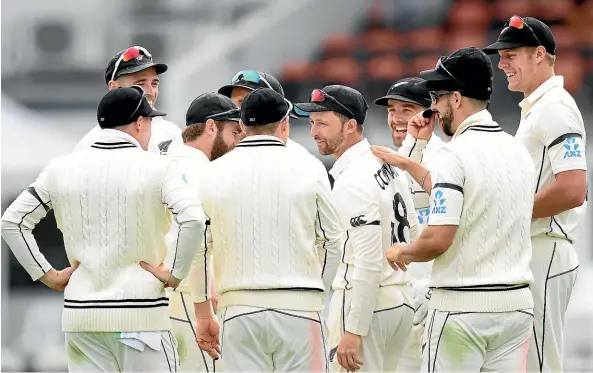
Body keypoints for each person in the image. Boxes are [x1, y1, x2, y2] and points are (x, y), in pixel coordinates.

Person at [1, 86, 207, 372]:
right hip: (142, 317)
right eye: (149, 122)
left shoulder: (60, 168)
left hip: (81, 319)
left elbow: (12, 221)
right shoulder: (159, 168)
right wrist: (174, 272)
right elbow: (194, 219)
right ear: (139, 122)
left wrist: (47, 275)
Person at [372, 47, 537, 372]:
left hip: (463, 309)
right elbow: (466, 189)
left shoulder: (454, 154)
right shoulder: (516, 149)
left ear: (457, 99)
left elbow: (438, 239)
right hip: (517, 309)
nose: (434, 106)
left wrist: (401, 251)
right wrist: (413, 156)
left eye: (438, 96)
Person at [193, 88, 344, 372]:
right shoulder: (309, 167)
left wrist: (203, 313)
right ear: (284, 123)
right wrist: (317, 294)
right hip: (300, 309)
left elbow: (200, 247)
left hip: (238, 309)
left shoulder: (213, 172)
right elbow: (333, 241)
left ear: (242, 125)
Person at [483, 16, 588, 372]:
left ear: (540, 54)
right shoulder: (538, 108)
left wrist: (509, 214)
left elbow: (574, 189)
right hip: (532, 250)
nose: (502, 63)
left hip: (546, 248)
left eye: (511, 54)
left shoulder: (555, 107)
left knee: (541, 363)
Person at [296, 85, 418, 372]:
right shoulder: (387, 163)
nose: (314, 132)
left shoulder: (353, 179)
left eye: (323, 123)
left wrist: (354, 330)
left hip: (366, 308)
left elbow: (367, 261)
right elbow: (412, 228)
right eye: (312, 123)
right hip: (399, 302)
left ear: (350, 126)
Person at [164, 93, 243, 373]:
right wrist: (206, 304)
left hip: (164, 295)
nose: (237, 142)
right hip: (188, 295)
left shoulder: (164, 162)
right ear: (211, 127)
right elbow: (195, 237)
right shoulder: (202, 173)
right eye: (234, 132)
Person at [374, 77, 444, 372]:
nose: (397, 118)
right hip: (397, 299)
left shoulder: (444, 159)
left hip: (433, 299)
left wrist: (433, 288)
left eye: (407, 109)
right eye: (392, 110)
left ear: (430, 114)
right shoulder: (388, 164)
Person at [75, 46, 182, 155]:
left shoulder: (174, 135)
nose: (150, 91)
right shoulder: (92, 143)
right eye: (140, 84)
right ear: (114, 88)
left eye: (154, 84)